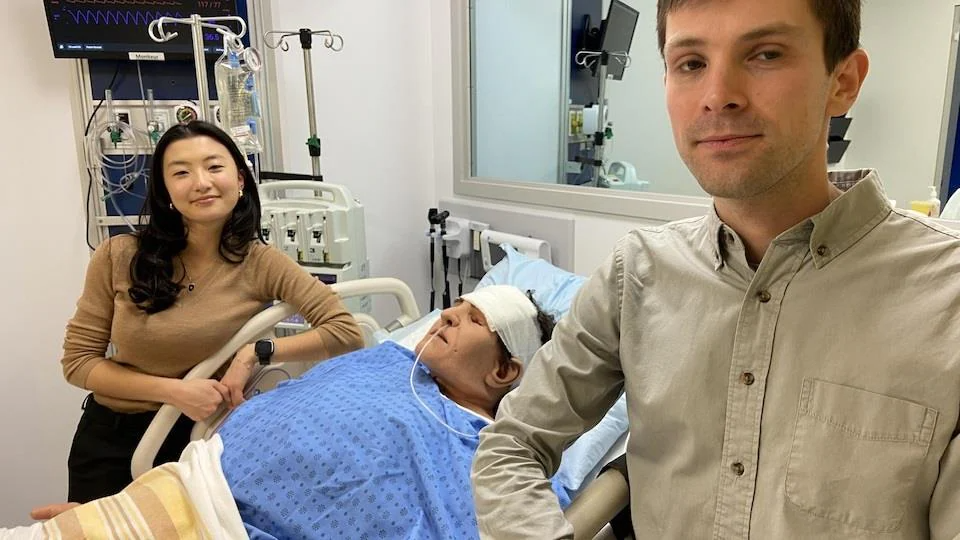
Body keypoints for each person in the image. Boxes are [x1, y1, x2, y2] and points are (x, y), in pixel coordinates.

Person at [471, 0, 960, 538]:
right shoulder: (635, 274)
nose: (717, 95)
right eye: (691, 63)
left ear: (843, 81)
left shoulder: (946, 298)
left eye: (765, 54)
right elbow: (512, 442)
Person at [21, 286, 564, 540]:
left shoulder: (491, 450)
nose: (445, 314)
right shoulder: (386, 362)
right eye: (456, 305)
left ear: (503, 372)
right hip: (189, 488)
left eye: (471, 319)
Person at [60, 120, 364, 504]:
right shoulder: (119, 256)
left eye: (214, 167)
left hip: (199, 442)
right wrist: (174, 392)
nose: (201, 182)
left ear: (239, 180)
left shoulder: (261, 263)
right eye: (181, 172)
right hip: (110, 441)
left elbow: (346, 332)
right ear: (166, 191)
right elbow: (78, 363)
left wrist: (256, 352)